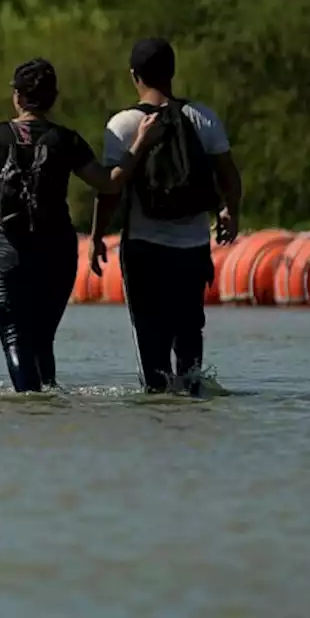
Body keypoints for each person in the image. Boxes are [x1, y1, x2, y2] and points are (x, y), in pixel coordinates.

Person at [0, 58, 157, 392]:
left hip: (4, 251)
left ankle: (28, 403)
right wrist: (140, 141)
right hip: (56, 251)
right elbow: (109, 184)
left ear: (17, 96)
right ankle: (48, 404)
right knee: (42, 337)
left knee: (15, 336)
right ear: (53, 97)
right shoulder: (66, 141)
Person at [89, 38, 242, 395]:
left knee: (150, 337)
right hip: (192, 246)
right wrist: (230, 212)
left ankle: (158, 407)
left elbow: (111, 189)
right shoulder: (202, 117)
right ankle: (192, 397)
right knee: (189, 334)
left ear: (134, 75)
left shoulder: (125, 124)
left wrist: (97, 236)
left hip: (144, 247)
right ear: (172, 72)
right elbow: (229, 175)